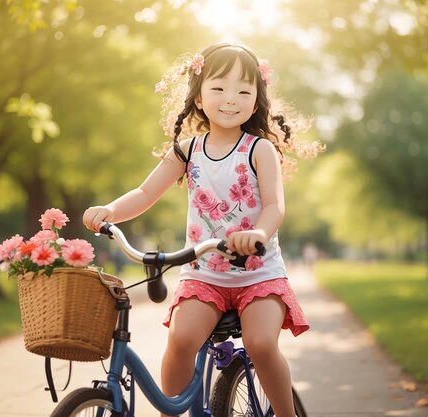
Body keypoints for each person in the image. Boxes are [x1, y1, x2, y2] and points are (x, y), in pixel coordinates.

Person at [83, 43, 324, 417]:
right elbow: (146, 192)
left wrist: (257, 235)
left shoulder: (259, 150)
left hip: (257, 274)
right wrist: (111, 210)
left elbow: (275, 206)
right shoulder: (186, 150)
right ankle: (171, 412)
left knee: (261, 344)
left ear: (257, 100)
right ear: (197, 98)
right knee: (180, 339)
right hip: (204, 274)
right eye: (219, 88)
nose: (231, 99)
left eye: (244, 91)